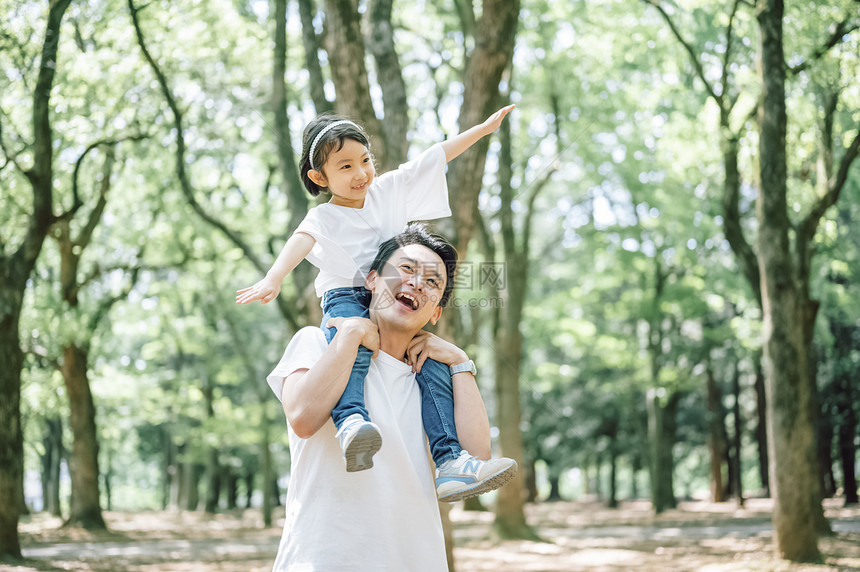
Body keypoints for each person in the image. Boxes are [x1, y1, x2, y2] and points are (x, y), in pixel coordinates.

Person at [237, 107, 516, 501]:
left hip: (386, 293)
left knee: (431, 362)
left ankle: (451, 461)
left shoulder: (388, 191)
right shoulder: (325, 217)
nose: (360, 173)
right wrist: (274, 277)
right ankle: (351, 419)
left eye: (365, 160)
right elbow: (300, 240)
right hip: (346, 296)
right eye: (345, 166)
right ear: (320, 177)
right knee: (357, 345)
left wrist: (482, 130)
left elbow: (436, 155)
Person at [266, 225, 516, 570]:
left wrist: (460, 362)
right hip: (322, 558)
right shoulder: (317, 343)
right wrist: (351, 334)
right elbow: (302, 418)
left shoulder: (439, 382)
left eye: (433, 283)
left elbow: (477, 458)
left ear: (436, 313)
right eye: (407, 269)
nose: (417, 283)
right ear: (371, 280)